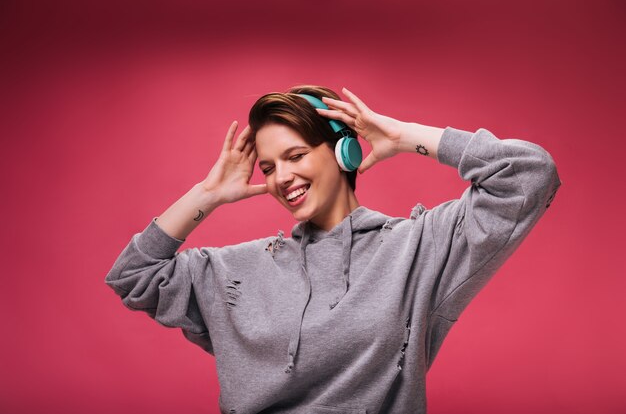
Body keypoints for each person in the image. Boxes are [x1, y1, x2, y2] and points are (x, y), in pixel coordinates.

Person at [104, 85, 562, 414]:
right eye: (268, 166)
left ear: (343, 152)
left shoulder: (418, 250)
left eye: (296, 156)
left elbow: (528, 175)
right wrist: (207, 194)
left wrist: (404, 137)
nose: (281, 177)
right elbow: (134, 275)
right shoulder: (234, 270)